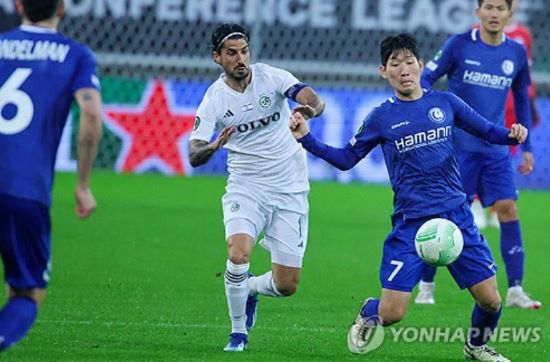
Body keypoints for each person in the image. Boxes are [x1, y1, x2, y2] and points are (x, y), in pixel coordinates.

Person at [290, 33, 526, 361]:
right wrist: (307, 139)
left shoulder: (445, 102)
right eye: (395, 64)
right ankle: (369, 311)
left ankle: (476, 347)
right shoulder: (381, 117)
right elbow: (346, 159)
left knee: (491, 301)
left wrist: (511, 134)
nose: (403, 69)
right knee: (393, 313)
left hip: (457, 218)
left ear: (419, 64)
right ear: (383, 71)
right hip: (411, 225)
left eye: (408, 61)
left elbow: (486, 130)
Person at [188, 23, 325, 352]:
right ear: (217, 57)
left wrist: (309, 109)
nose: (240, 59)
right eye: (232, 53)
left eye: (244, 51)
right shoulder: (214, 100)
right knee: (237, 252)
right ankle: (237, 335)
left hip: (290, 188)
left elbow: (311, 98)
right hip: (245, 188)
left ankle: (250, 289)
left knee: (287, 285)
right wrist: (212, 147)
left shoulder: (272, 77)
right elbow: (193, 154)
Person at [416, 0, 541, 309]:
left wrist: (526, 147)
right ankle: (426, 286)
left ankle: (515, 290)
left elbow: (522, 96)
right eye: (489, 7)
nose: (494, 13)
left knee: (508, 209)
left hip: (496, 151)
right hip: (458, 150)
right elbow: (425, 79)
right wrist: (431, 112)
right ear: (478, 12)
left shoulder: (515, 52)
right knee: (444, 217)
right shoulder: (459, 45)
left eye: (501, 8)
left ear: (510, 13)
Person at [0, 0, 103, 351]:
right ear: (62, 8)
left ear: (18, 5)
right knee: (27, 292)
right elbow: (90, 113)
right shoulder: (76, 55)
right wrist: (83, 185)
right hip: (23, 190)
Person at [472, 0, 543, 230]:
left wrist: (529, 99)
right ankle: (473, 205)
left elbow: (525, 76)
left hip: (513, 104)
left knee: (505, 153)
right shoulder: (475, 34)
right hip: (486, 102)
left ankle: (496, 207)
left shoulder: (523, 35)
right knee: (476, 150)